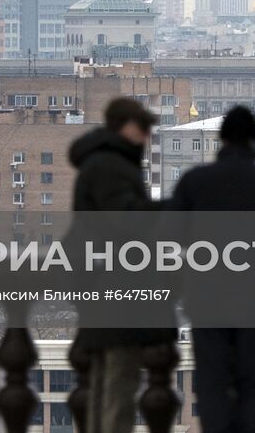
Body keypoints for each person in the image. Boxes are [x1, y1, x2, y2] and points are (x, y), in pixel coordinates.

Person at [167, 105, 255, 433]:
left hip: (206, 301)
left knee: (212, 383)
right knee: (252, 384)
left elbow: (170, 237)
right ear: (254, 139)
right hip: (254, 301)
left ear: (221, 139)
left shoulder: (195, 182)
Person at [68, 97, 173, 433]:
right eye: (143, 128)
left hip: (102, 285)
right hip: (118, 291)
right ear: (125, 126)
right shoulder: (112, 166)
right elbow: (127, 221)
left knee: (103, 382)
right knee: (118, 386)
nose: (147, 136)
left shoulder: (101, 162)